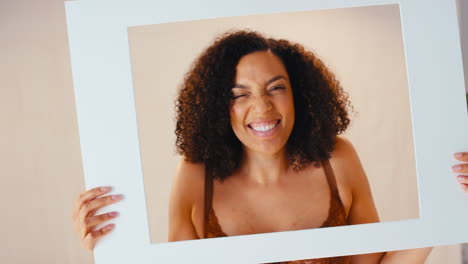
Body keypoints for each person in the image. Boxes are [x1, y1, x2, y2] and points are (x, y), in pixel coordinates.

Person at [72, 30, 467, 263]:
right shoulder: (195, 175)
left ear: (300, 95)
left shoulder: (338, 160)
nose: (262, 107)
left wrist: (448, 208)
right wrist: (111, 248)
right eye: (239, 94)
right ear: (216, 106)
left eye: (276, 88)